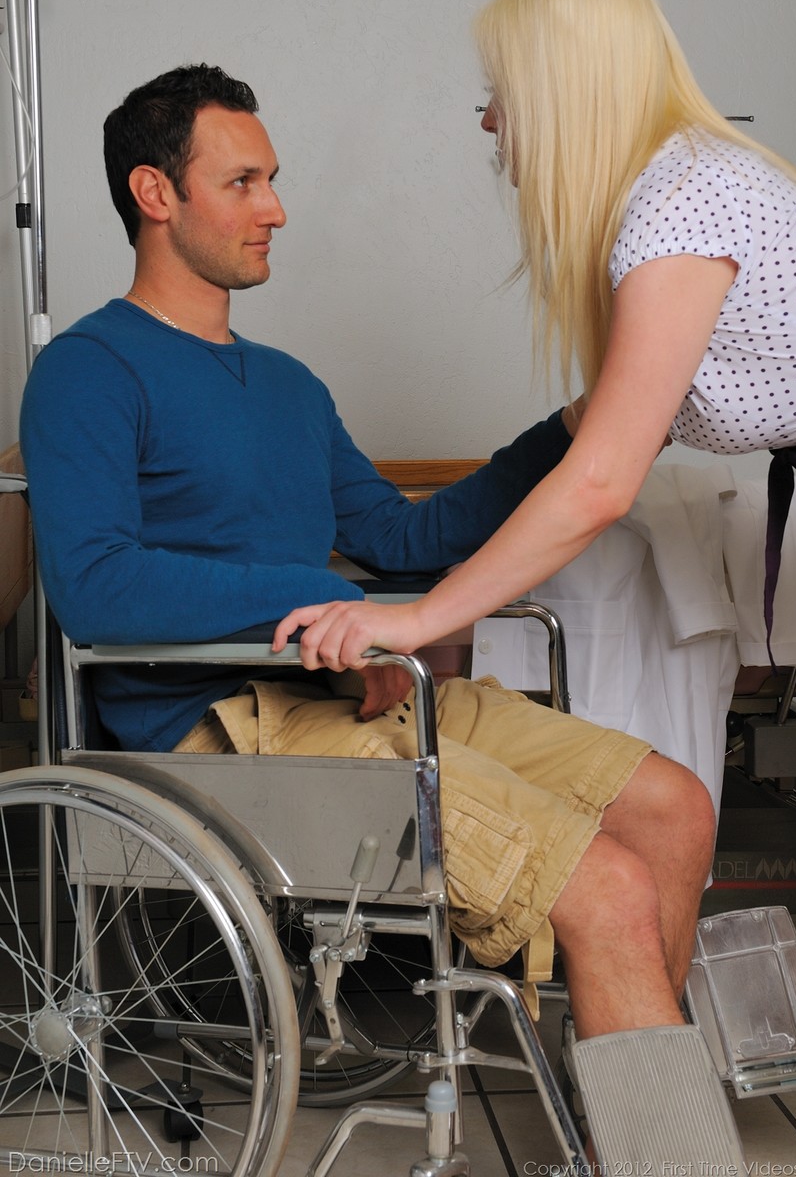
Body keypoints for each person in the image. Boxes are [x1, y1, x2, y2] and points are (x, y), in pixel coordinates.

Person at [20, 64, 716, 1051]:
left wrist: (576, 427)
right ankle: (647, 1121)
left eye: (272, 180)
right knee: (601, 884)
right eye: (242, 182)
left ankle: (625, 1080)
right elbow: (94, 586)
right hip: (217, 725)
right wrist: (319, 601)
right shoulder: (86, 370)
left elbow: (401, 539)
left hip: (347, 687)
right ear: (154, 193)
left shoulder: (288, 385)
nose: (275, 209)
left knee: (670, 809)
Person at [276, 0, 796, 863]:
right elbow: (582, 437)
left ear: (557, 90)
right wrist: (415, 550)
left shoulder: (681, 208)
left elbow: (597, 484)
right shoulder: (687, 187)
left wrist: (417, 622)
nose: (487, 120)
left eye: (498, 93)